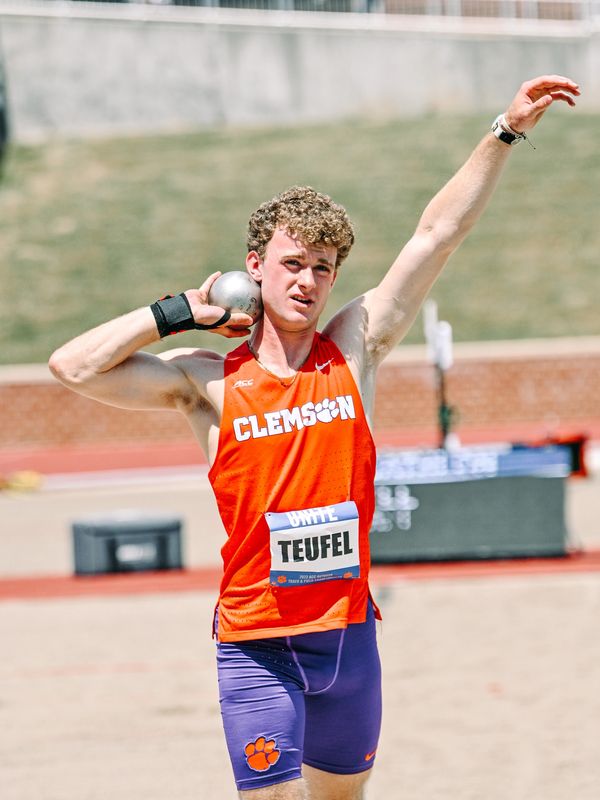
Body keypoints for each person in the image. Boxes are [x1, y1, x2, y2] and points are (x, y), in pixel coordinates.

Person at [49, 75, 579, 799]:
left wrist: (505, 130)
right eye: (292, 264)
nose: (307, 282)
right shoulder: (208, 381)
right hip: (256, 644)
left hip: (348, 638)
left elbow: (437, 234)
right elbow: (72, 366)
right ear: (255, 268)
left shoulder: (354, 348)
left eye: (322, 270)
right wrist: (183, 310)